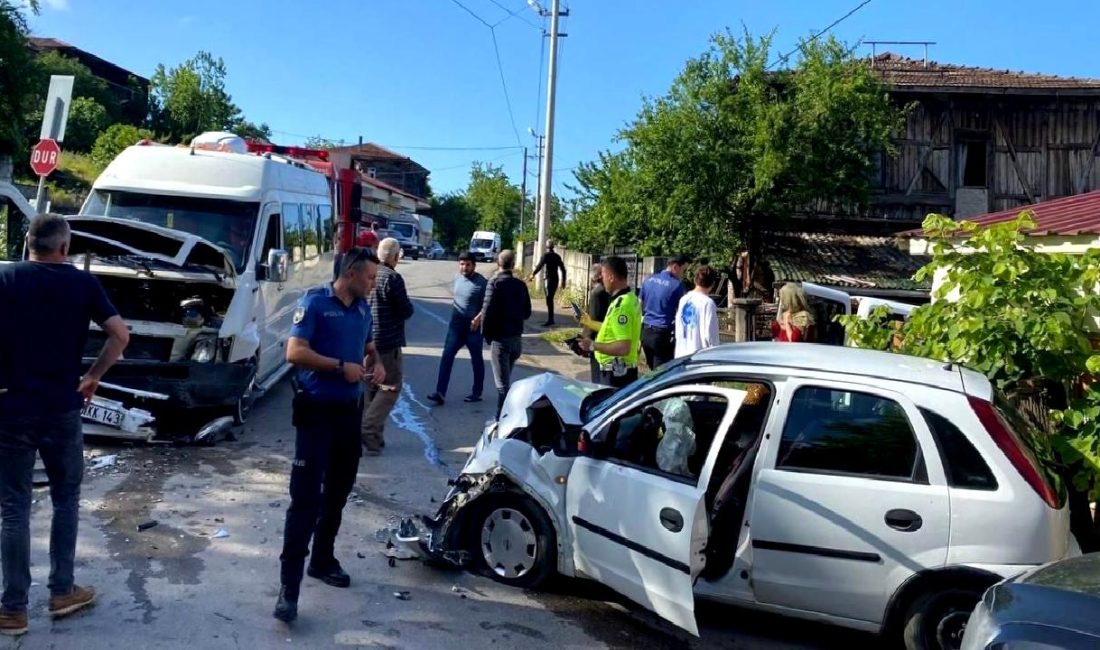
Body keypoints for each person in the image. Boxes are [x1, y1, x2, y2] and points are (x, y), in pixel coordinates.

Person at [0, 214, 129, 636]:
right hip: (61, 407)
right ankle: (61, 591)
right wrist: (93, 376)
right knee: (65, 498)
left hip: (11, 407)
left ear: (28, 245)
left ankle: (13, 610)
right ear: (64, 247)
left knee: (14, 506)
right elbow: (119, 334)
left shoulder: (7, 278)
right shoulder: (81, 283)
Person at [275, 246, 385, 624]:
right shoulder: (315, 303)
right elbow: (294, 351)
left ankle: (322, 559)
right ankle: (288, 589)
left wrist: (376, 363)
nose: (373, 284)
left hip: (348, 415)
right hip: (316, 411)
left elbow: (367, 346)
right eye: (370, 277)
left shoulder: (363, 308)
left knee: (338, 492)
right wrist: (341, 367)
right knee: (304, 500)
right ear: (352, 273)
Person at [361, 238, 414, 454]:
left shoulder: (369, 273)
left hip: (367, 340)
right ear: (394, 257)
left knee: (371, 388)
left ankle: (374, 438)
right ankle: (368, 428)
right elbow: (406, 310)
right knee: (390, 387)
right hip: (387, 342)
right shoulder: (392, 277)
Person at [474, 250, 531, 417]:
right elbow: (527, 312)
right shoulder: (520, 285)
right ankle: (504, 416)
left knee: (502, 386)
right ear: (513, 265)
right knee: (506, 380)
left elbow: (487, 311)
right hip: (516, 340)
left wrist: (486, 336)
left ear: (498, 264)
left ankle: (503, 417)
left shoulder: (495, 283)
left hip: (500, 340)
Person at [426, 252, 486, 405]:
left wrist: (478, 318)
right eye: (462, 264)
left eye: (467, 264)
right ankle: (440, 393)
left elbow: (488, 305)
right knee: (447, 357)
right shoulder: (458, 279)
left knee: (476, 360)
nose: (464, 267)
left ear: (474, 265)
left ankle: (477, 392)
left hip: (473, 329)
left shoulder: (482, 283)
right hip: (456, 328)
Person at [578, 256, 642, 388]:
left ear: (611, 277)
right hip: (618, 371)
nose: (601, 279)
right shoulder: (629, 298)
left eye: (603, 275)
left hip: (616, 374)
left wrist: (592, 345)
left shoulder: (622, 306)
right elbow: (612, 329)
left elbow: (623, 347)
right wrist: (589, 323)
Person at [638, 255, 688, 370]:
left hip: (646, 332)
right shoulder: (677, 285)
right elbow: (683, 310)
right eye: (683, 270)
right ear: (675, 267)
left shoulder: (648, 279)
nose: (683, 274)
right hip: (663, 334)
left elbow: (639, 304)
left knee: (652, 370)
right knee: (662, 374)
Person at [675, 265, 720, 358]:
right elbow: (711, 336)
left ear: (695, 280)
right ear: (712, 284)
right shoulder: (708, 303)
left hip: (681, 354)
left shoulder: (684, 299)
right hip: (700, 358)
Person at [580, 263, 610, 383]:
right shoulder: (606, 291)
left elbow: (594, 318)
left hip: (596, 337)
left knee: (597, 374)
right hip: (605, 335)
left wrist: (586, 338)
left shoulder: (597, 293)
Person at [529, 239, 565, 326]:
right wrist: (563, 281)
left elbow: (539, 266)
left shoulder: (545, 256)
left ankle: (551, 319)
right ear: (553, 246)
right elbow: (563, 270)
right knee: (550, 298)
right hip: (555, 279)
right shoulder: (557, 256)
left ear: (546, 247)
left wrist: (532, 274)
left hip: (548, 279)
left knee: (549, 299)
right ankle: (551, 318)